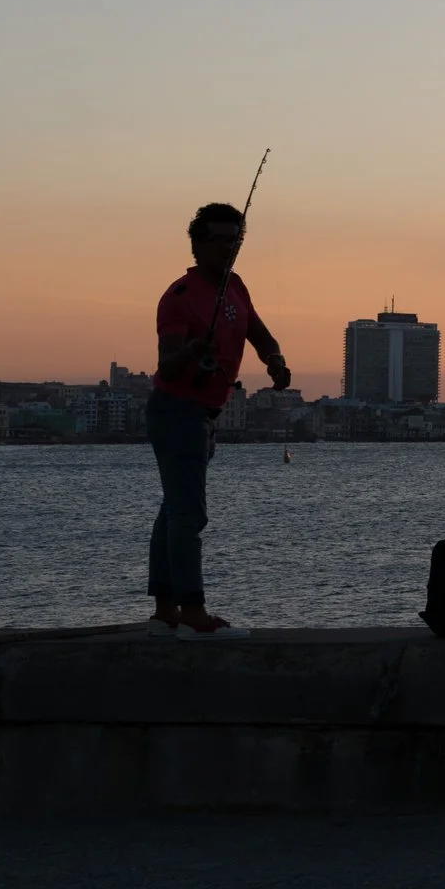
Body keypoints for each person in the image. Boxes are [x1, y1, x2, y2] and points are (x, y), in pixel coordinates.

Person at [148, 202, 292, 636]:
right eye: (221, 239)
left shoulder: (236, 287)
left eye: (236, 239)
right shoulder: (179, 298)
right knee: (188, 516)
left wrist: (275, 360)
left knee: (173, 510)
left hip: (206, 415)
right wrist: (193, 350)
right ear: (197, 243)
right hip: (178, 410)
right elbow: (166, 365)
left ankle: (164, 607)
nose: (230, 248)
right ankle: (192, 609)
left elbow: (260, 334)